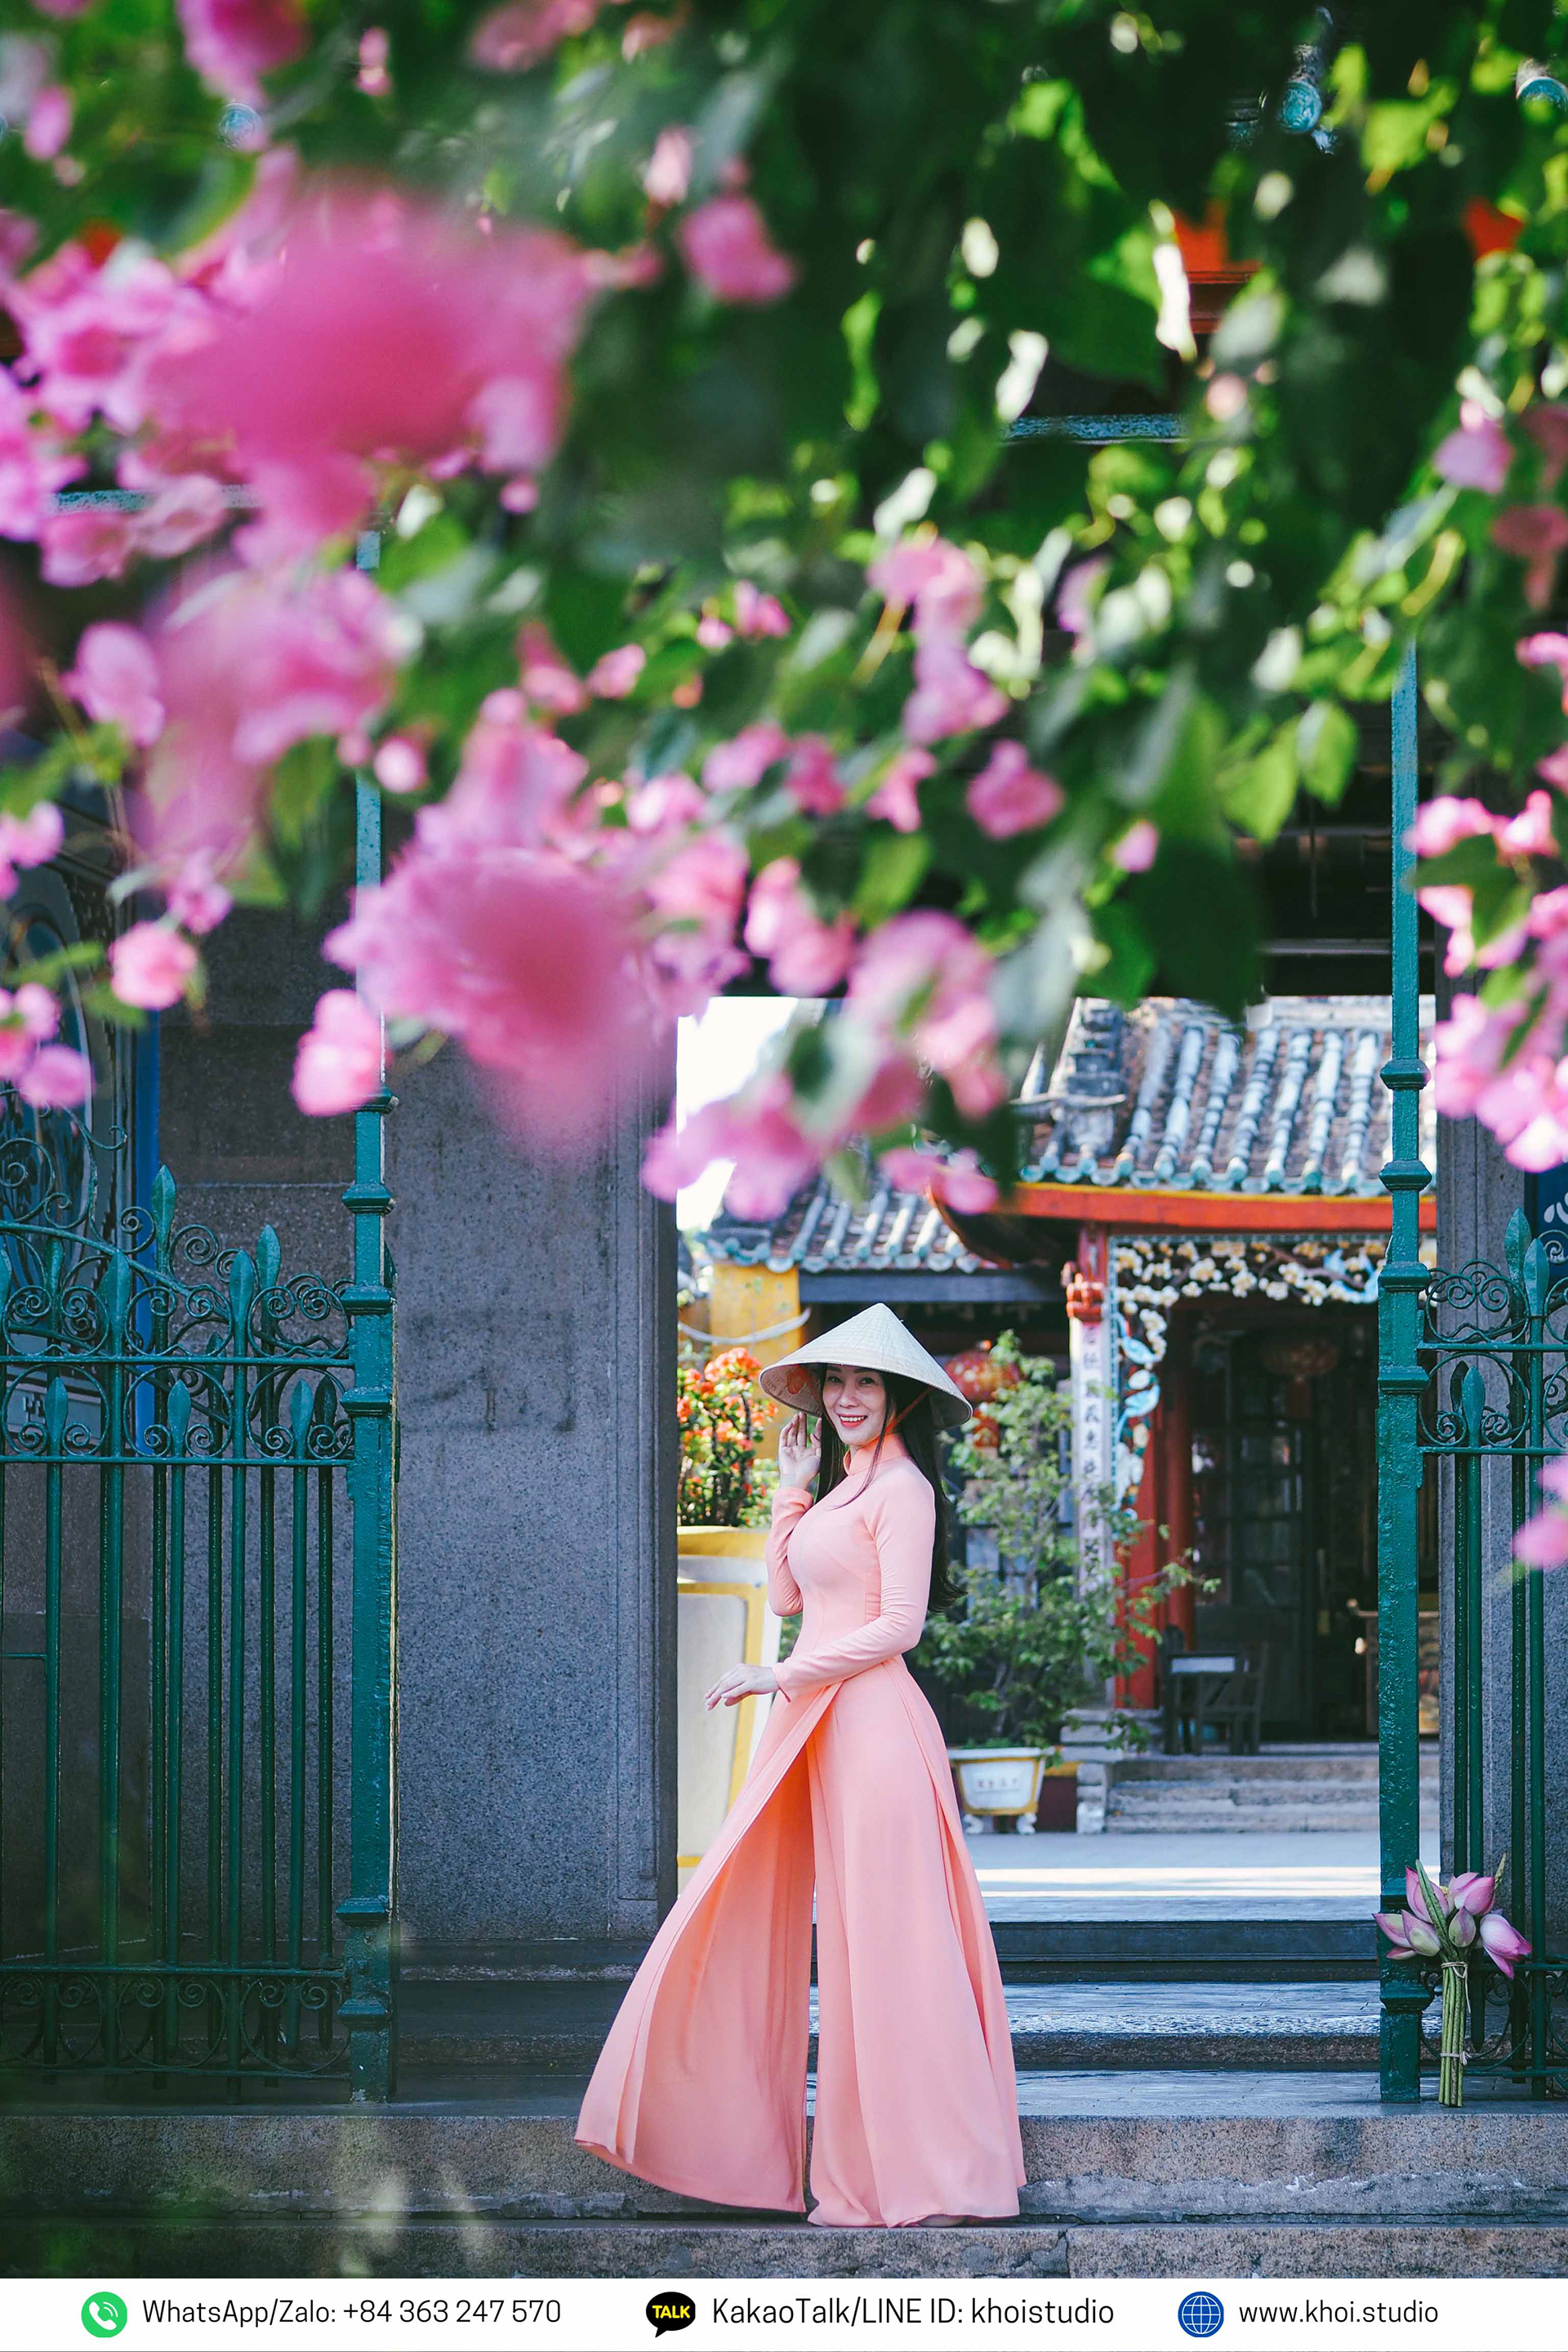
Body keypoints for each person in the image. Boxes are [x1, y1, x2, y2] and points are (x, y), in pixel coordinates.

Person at [574, 1303, 1024, 2228]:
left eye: (866, 1382)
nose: (847, 1396)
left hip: (875, 1735)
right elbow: (786, 1591)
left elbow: (900, 1626)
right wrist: (791, 1487)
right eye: (836, 1380)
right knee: (830, 1940)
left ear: (898, 1397)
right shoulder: (844, 1486)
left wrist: (776, 1673)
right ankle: (813, 2157)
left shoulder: (904, 1491)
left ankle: (929, 2169)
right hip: (820, 1732)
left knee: (891, 1950)